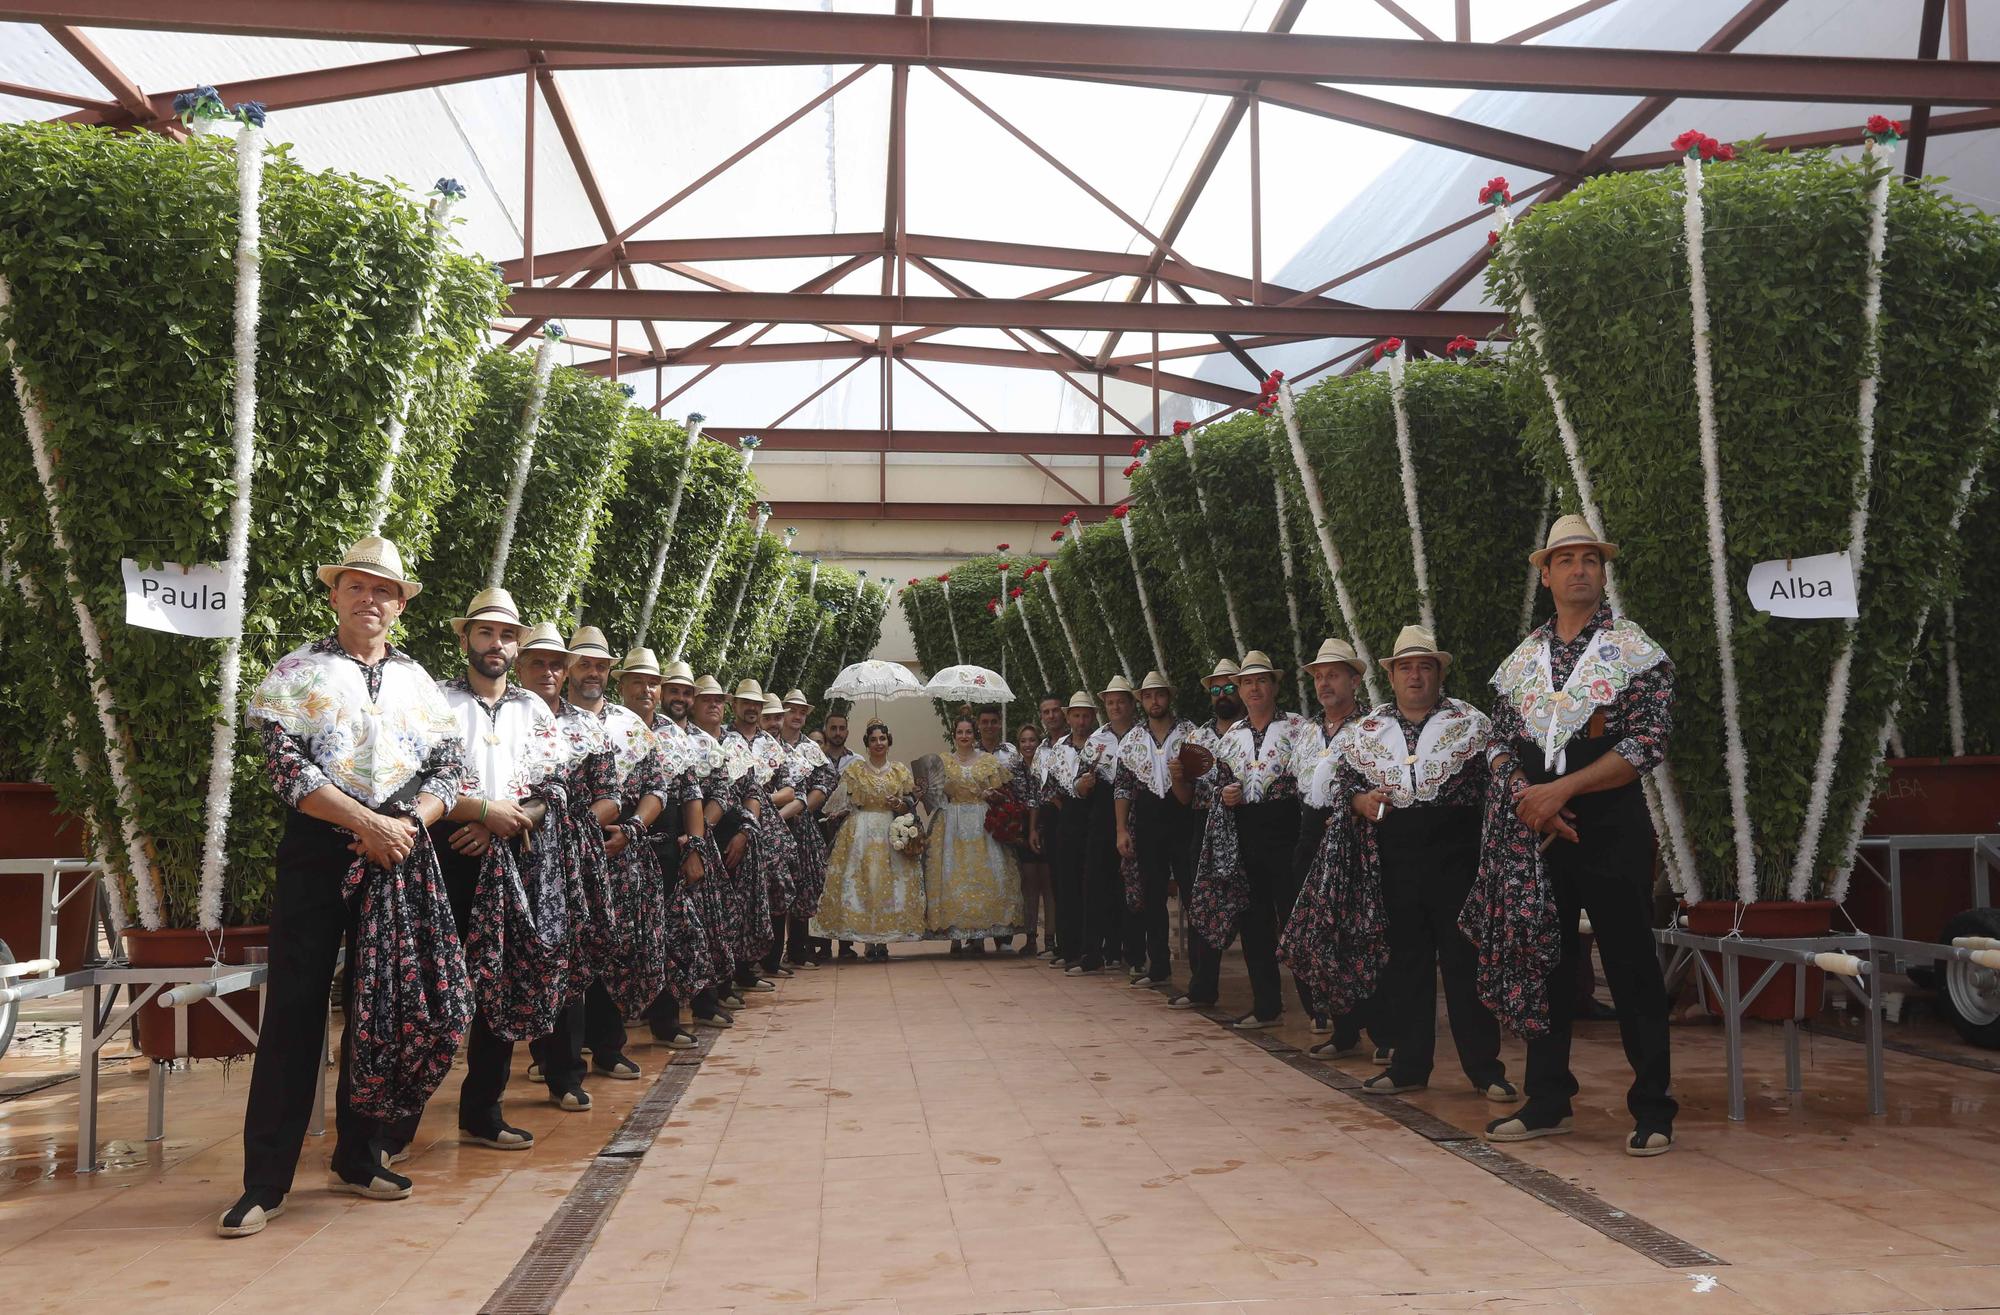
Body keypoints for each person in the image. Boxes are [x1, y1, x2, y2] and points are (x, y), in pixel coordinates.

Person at [221, 536, 468, 1237]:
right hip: (318, 852)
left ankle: (360, 1155)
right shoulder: (296, 673)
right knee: (295, 1009)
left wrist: (404, 828)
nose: (370, 599)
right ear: (334, 594)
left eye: (384, 590)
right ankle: (264, 1182)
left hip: (398, 856)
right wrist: (364, 821)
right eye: (357, 586)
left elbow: (450, 771)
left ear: (400, 605)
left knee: (381, 1008)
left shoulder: (422, 683)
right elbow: (283, 766)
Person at [1478, 516, 1677, 1156]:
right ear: (1546, 575)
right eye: (1565, 561)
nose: (1578, 570)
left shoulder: (1634, 649)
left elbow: (1648, 740)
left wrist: (1561, 792)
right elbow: (1497, 745)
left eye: (1589, 559)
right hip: (1540, 823)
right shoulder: (1524, 659)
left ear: (1602, 570)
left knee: (1630, 965)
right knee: (1547, 963)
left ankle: (1653, 1108)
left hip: (1610, 821)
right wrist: (1529, 799)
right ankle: (1547, 1100)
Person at [392, 587, 566, 1161]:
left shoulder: (534, 711)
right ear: (464, 637)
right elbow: (413, 780)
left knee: (501, 986)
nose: (497, 644)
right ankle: (395, 1126)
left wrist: (503, 824)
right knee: (432, 988)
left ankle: (482, 1112)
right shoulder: (435, 702)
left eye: (508, 635)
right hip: (448, 852)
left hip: (513, 853)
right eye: (486, 632)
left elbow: (552, 791)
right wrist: (478, 816)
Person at [1315, 625, 1514, 1101]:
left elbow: (1501, 779)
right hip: (1395, 854)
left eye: (1425, 667)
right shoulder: (1368, 730)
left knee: (1466, 962)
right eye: (1406, 667)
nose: (1416, 676)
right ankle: (1409, 1064)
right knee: (1405, 963)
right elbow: (1340, 785)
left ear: (1439, 673)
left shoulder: (1472, 722)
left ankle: (1485, 1068)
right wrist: (1361, 801)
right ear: (1392, 675)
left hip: (1458, 855)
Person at [518, 624, 629, 1111]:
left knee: (567, 964)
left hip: (566, 865)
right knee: (505, 966)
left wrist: (565, 829)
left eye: (555, 664)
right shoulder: (497, 717)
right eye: (537, 662)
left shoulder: (587, 728)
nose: (547, 672)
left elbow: (611, 797)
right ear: (519, 665)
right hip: (500, 853)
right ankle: (487, 1096)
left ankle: (565, 1074)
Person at [1281, 639, 1392, 1064]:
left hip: (1356, 839)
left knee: (1364, 935)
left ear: (1355, 679)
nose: (1325, 683)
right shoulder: (1308, 732)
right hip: (1311, 836)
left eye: (1334, 674)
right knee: (1324, 937)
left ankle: (1384, 1031)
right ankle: (1344, 1029)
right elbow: (1302, 788)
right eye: (1320, 676)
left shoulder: (1372, 728)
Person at [1183, 652, 1306, 1030]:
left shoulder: (1300, 727)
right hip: (1246, 832)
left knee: (1295, 920)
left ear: (1274, 686)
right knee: (1254, 924)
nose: (1253, 689)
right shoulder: (1230, 738)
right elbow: (1216, 786)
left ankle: (1319, 1007)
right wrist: (1226, 795)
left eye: (1261, 681)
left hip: (1288, 828)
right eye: (1247, 683)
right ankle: (1266, 1005)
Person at [814, 721, 927, 957]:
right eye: (874, 739)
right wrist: (839, 812)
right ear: (867, 743)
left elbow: (910, 802)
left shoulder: (899, 771)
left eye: (882, 739)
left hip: (890, 830)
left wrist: (901, 804)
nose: (878, 743)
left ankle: (883, 940)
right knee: (864, 882)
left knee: (888, 883)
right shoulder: (855, 770)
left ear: (889, 741)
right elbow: (839, 802)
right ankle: (866, 939)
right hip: (860, 832)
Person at [1114, 671, 1196, 990]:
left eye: (1159, 695)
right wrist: (1121, 829)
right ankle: (1158, 963)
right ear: (1141, 701)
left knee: (1190, 890)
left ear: (1169, 697)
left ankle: (1200, 969)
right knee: (1152, 892)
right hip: (1147, 818)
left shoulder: (1190, 732)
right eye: (1148, 696)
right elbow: (1122, 788)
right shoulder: (1132, 739)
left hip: (1183, 816)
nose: (1154, 701)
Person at [1166, 658, 1240, 1011]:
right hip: (1205, 826)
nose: (1223, 695)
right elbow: (1184, 798)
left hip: (1247, 825)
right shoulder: (1196, 738)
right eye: (1216, 689)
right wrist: (1178, 776)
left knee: (1261, 912)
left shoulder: (1259, 730)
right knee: (1201, 906)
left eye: (1229, 687)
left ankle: (1277, 1000)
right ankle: (1202, 987)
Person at [925, 713, 1024, 947]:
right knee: (951, 875)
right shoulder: (943, 761)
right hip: (952, 821)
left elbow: (1003, 793)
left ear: (974, 734)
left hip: (981, 821)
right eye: (960, 732)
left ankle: (980, 934)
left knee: (985, 874)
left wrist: (991, 794)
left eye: (968, 732)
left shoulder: (988, 761)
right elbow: (933, 795)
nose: (964, 736)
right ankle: (955, 936)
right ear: (953, 735)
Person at [1078, 675, 1137, 975]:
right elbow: (1078, 782)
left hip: (1136, 812)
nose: (1115, 707)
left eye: (1120, 702)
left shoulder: (1143, 735)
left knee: (1129, 885)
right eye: (1110, 702)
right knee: (1096, 883)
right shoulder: (1096, 740)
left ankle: (1129, 951)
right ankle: (1092, 951)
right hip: (1101, 813)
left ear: (1131, 703)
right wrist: (1083, 784)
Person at [778, 689, 836, 967]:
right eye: (793, 710)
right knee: (776, 887)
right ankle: (770, 954)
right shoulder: (770, 742)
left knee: (803, 886)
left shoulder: (810, 748)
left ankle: (798, 949)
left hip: (800, 825)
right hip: (770, 822)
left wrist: (805, 807)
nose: (798, 716)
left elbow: (826, 780)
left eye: (802, 712)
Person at [1045, 692, 1100, 973]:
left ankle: (1095, 949)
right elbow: (1050, 786)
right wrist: (1069, 800)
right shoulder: (1059, 749)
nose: (1080, 721)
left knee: (1092, 884)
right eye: (1076, 715)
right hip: (1067, 817)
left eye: (1085, 715)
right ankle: (1069, 948)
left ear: (1092, 717)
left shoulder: (1101, 744)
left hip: (1096, 816)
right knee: (1065, 884)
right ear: (1069, 718)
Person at [1028, 693, 1068, 960]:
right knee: (1056, 882)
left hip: (1072, 815)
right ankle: (1061, 945)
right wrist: (1033, 828)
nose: (1051, 716)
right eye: (1046, 712)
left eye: (1055, 710)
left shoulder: (1074, 743)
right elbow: (1034, 793)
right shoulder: (1040, 750)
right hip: (1048, 819)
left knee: (1073, 881)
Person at [1011, 724, 1054, 957]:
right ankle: (1030, 938)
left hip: (1046, 825)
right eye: (1023, 741)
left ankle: (1050, 939)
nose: (1028, 745)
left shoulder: (1047, 763)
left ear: (1039, 743)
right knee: (1029, 885)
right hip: (1022, 827)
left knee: (1048, 885)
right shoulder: (1013, 768)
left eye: (1032, 740)